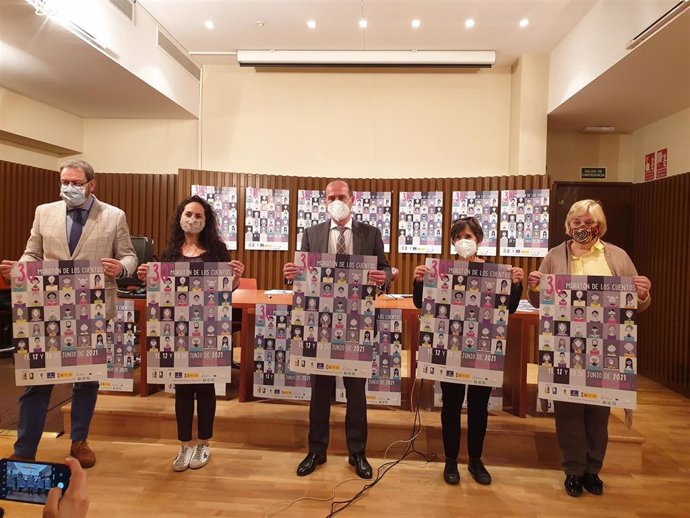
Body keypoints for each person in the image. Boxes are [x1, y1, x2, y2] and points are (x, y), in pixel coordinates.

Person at [0, 160, 138, 468]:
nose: (69, 188)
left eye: (76, 183)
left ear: (92, 184)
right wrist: (18, 270)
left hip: (93, 307)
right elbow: (32, 253)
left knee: (86, 380)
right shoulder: (43, 212)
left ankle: (79, 440)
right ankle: (24, 448)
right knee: (37, 380)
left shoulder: (114, 216)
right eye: (65, 181)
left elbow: (128, 254)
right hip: (46, 308)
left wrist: (123, 267)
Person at [527, 199, 651, 497]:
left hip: (606, 346)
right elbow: (538, 301)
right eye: (576, 223)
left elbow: (636, 303)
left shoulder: (617, 256)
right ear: (568, 225)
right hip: (562, 345)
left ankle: (592, 470)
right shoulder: (555, 255)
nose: (582, 228)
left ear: (600, 226)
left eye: (588, 222)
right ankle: (572, 470)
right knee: (567, 410)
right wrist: (534, 288)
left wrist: (643, 294)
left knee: (599, 410)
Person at [283, 180, 391, 480]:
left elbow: (386, 268)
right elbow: (300, 274)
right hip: (319, 323)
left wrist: (383, 276)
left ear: (353, 200)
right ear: (323, 201)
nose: (337, 201)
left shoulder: (370, 233)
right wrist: (291, 275)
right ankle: (316, 450)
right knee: (319, 391)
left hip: (357, 322)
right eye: (331, 197)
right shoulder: (311, 233)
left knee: (357, 392)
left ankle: (357, 453)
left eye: (342, 196)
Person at [413, 216, 523, 486]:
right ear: (452, 242)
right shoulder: (442, 271)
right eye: (459, 237)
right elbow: (421, 304)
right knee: (450, 404)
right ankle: (451, 460)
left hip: (482, 349)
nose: (464, 241)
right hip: (450, 346)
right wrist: (418, 282)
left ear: (479, 241)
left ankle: (475, 460)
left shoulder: (495, 273)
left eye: (469, 236)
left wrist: (517, 285)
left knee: (478, 406)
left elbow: (508, 309)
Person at [138, 195, 244, 472]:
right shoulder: (171, 252)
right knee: (183, 389)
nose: (193, 219)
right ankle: (184, 445)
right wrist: (147, 277)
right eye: (188, 214)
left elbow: (225, 292)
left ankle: (204, 444)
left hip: (209, 328)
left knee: (206, 388)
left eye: (199, 215)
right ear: (180, 217)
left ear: (206, 221)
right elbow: (163, 293)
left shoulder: (217, 250)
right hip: (177, 331)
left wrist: (235, 279)